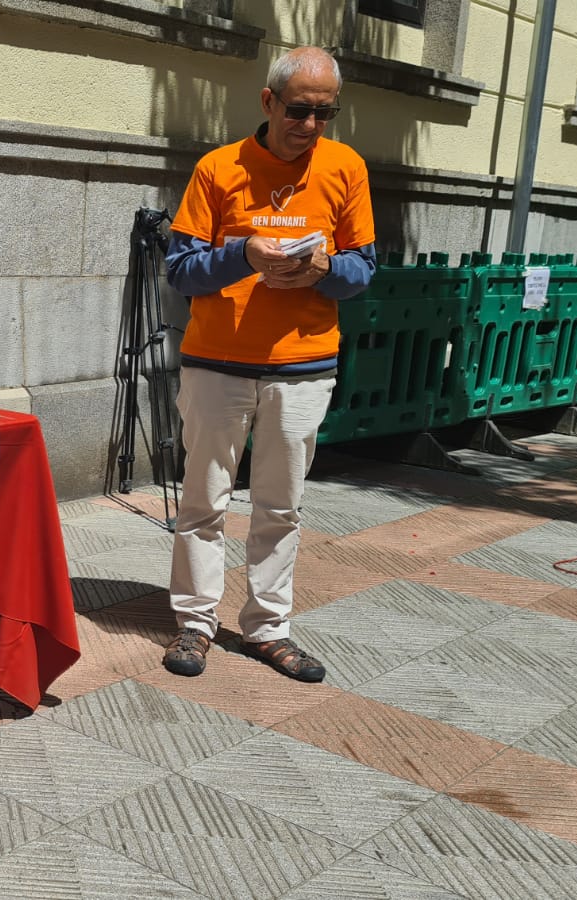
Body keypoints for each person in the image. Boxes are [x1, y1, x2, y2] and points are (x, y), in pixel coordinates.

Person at [161, 46, 376, 682]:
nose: (310, 125)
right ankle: (194, 625)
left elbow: (363, 270)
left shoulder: (346, 168)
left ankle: (267, 627)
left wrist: (323, 270)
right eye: (299, 110)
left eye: (324, 113)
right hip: (217, 364)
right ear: (268, 102)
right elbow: (178, 271)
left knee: (281, 506)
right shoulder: (217, 169)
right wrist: (244, 256)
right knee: (203, 502)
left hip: (304, 367)